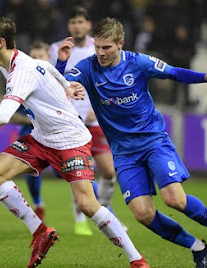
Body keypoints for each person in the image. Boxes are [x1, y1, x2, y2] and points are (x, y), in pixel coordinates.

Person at [0, 16, 150, 268]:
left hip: (70, 139)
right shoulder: (13, 62)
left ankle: (138, 260)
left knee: (87, 205)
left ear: (0, 42)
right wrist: (67, 84)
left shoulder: (20, 71)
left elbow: (3, 116)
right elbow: (44, 66)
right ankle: (40, 231)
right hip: (42, 137)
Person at [56, 17, 207, 268]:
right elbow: (62, 81)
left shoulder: (138, 62)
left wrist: (205, 78)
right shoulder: (88, 67)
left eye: (107, 47)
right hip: (123, 153)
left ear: (120, 43)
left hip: (153, 141)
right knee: (143, 214)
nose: (100, 53)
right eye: (97, 47)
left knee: (175, 200)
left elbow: (174, 72)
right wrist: (63, 66)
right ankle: (198, 247)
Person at [49, 6, 123, 236]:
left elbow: (110, 77)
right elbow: (53, 81)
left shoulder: (100, 46)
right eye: (73, 22)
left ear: (88, 25)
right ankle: (81, 219)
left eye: (81, 22)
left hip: (95, 118)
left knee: (109, 171)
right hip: (70, 121)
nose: (77, 26)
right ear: (68, 25)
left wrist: (96, 106)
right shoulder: (57, 49)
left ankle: (104, 209)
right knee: (80, 173)